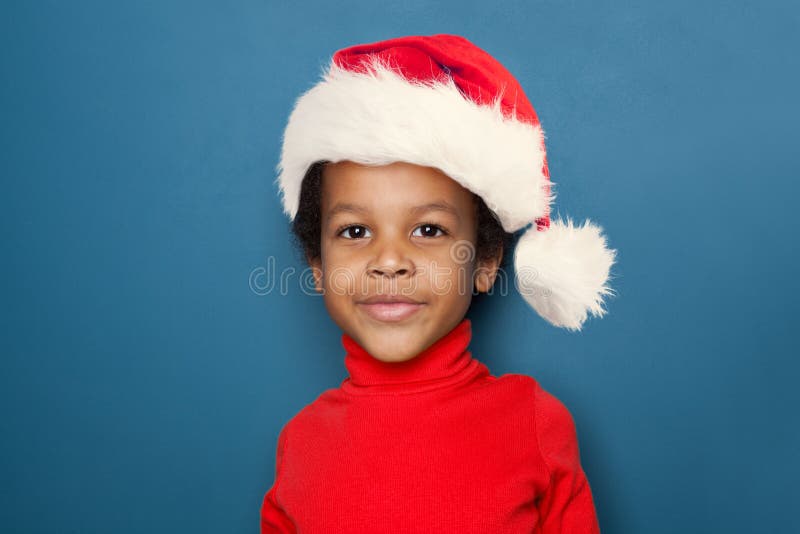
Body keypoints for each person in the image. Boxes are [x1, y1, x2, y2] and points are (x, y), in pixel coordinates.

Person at [261, 33, 617, 533]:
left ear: (487, 261)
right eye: (355, 231)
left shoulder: (533, 425)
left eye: (428, 230)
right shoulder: (299, 444)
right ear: (318, 265)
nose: (389, 261)